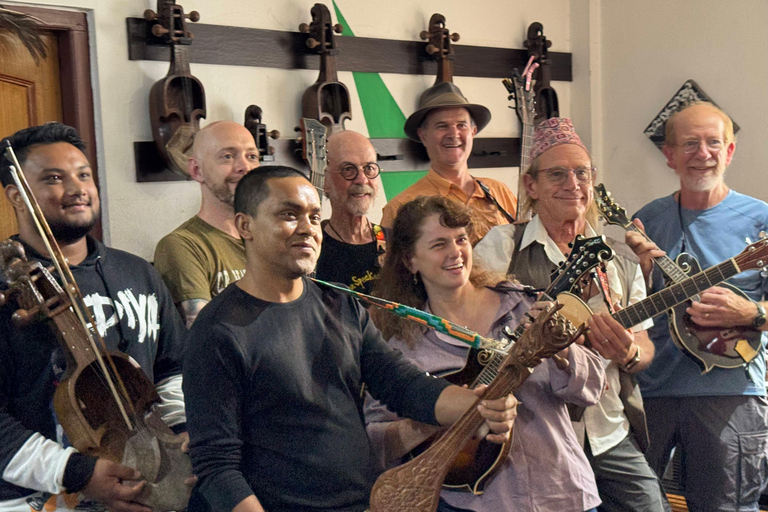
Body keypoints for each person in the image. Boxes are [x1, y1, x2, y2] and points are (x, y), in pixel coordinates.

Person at [182, 166, 518, 512]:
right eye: (288, 215)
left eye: (314, 217)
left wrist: (478, 405)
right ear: (245, 226)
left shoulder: (340, 304)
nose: (307, 229)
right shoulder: (218, 331)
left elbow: (402, 385)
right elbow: (217, 469)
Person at [474, 117, 669, 512]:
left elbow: (645, 346)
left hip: (608, 427)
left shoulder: (618, 258)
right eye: (557, 174)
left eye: (582, 173)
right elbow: (477, 329)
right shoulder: (502, 246)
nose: (573, 183)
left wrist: (627, 352)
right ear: (532, 186)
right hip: (536, 432)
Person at [366, 195, 605, 512]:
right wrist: (445, 415)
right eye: (439, 244)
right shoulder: (402, 343)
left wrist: (556, 349)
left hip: (561, 492)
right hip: (474, 503)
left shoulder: (523, 305)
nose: (455, 252)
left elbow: (592, 389)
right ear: (410, 260)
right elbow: (378, 439)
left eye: (461, 239)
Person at [0, 123, 187, 512]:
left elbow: (172, 368)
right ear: (17, 196)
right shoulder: (6, 288)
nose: (76, 189)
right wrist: (79, 474)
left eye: (84, 175)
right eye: (54, 178)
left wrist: (179, 437)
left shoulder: (139, 273)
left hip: (150, 481)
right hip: (35, 500)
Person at [626, 101, 768, 512]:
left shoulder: (760, 220)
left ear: (729, 151)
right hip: (652, 393)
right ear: (669, 155)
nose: (702, 154)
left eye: (712, 143)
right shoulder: (646, 221)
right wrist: (638, 271)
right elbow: (629, 304)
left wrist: (752, 315)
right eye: (689, 144)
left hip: (732, 393)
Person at [380, 82, 516, 244]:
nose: (453, 134)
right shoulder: (401, 207)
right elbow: (390, 267)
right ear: (423, 135)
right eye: (442, 126)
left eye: (461, 125)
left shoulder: (499, 191)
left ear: (473, 132)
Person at [154, 121, 260, 327]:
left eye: (252, 156)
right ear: (196, 170)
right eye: (227, 156)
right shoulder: (182, 246)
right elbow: (203, 335)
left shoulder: (268, 236)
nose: (244, 167)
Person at [314, 130, 389, 294]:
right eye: (348, 169)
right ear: (325, 181)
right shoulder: (312, 248)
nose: (362, 179)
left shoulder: (396, 243)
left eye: (369, 168)